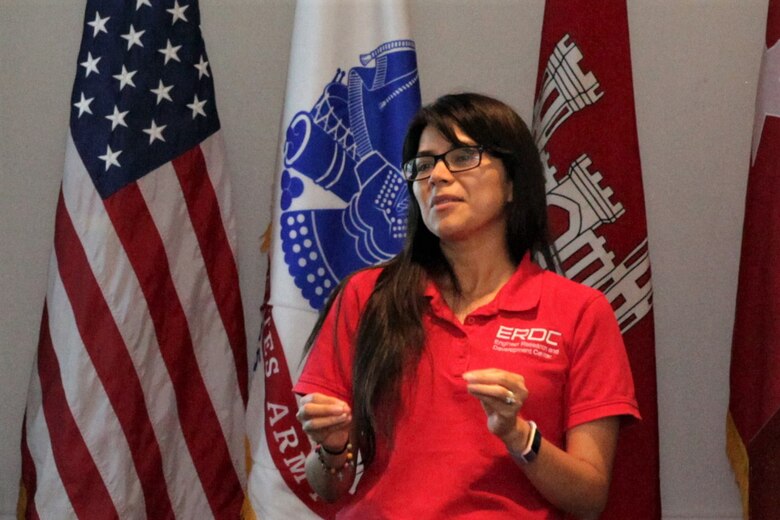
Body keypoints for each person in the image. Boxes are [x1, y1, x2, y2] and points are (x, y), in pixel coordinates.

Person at [293, 92, 640, 519]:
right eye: (422, 165)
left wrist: (518, 436)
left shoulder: (580, 311)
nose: (436, 176)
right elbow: (327, 487)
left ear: (513, 182)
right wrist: (332, 448)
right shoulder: (369, 295)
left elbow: (589, 498)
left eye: (460, 157)